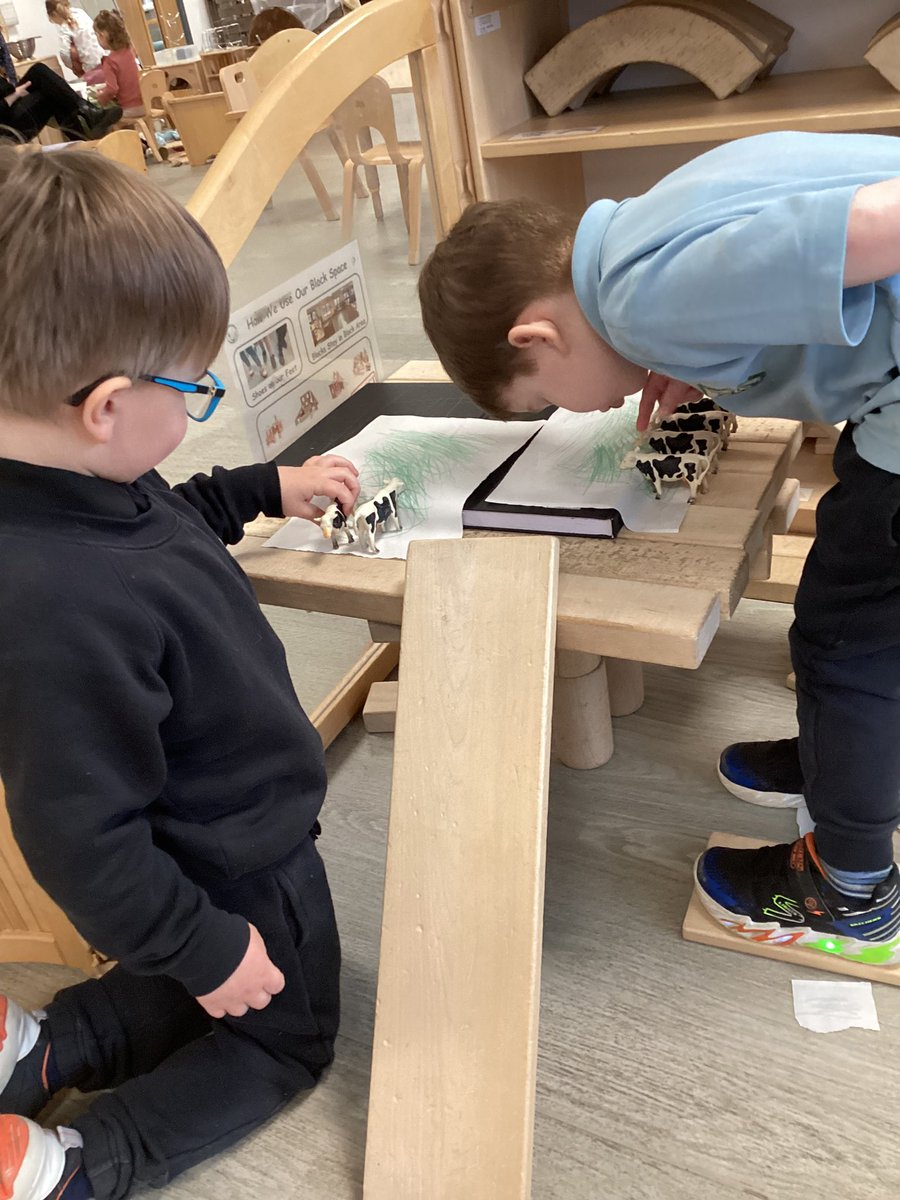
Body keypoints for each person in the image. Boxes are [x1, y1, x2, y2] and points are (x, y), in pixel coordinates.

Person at [418, 130, 900, 969]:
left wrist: (668, 329)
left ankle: (852, 888)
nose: (568, 411)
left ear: (537, 337)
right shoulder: (643, 237)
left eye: (543, 403)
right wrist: (696, 350)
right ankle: (851, 758)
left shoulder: (648, 300)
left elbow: (867, 227)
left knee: (847, 639)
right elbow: (775, 255)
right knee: (868, 621)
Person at [0, 146, 361, 1199]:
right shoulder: (59, 605)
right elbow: (78, 836)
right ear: (108, 406)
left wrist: (262, 485)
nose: (197, 408)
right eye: (193, 389)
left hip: (202, 848)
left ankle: (40, 1054)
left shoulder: (73, 482)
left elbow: (164, 520)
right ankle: (68, 1166)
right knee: (284, 1031)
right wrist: (203, 944)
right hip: (231, 848)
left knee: (197, 978)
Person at [0, 29, 121, 141]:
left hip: (10, 104)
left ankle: (86, 121)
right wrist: (16, 94)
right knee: (49, 94)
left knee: (40, 72)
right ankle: (85, 124)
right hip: (6, 123)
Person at [92, 10, 142, 117]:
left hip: (129, 109)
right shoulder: (130, 50)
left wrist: (101, 98)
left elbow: (112, 89)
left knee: (105, 119)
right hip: (144, 103)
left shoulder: (109, 61)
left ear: (102, 36)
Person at [45, 0, 104, 81]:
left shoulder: (64, 28)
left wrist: (73, 67)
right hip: (107, 57)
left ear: (53, 14)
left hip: (93, 68)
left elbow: (65, 55)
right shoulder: (80, 12)